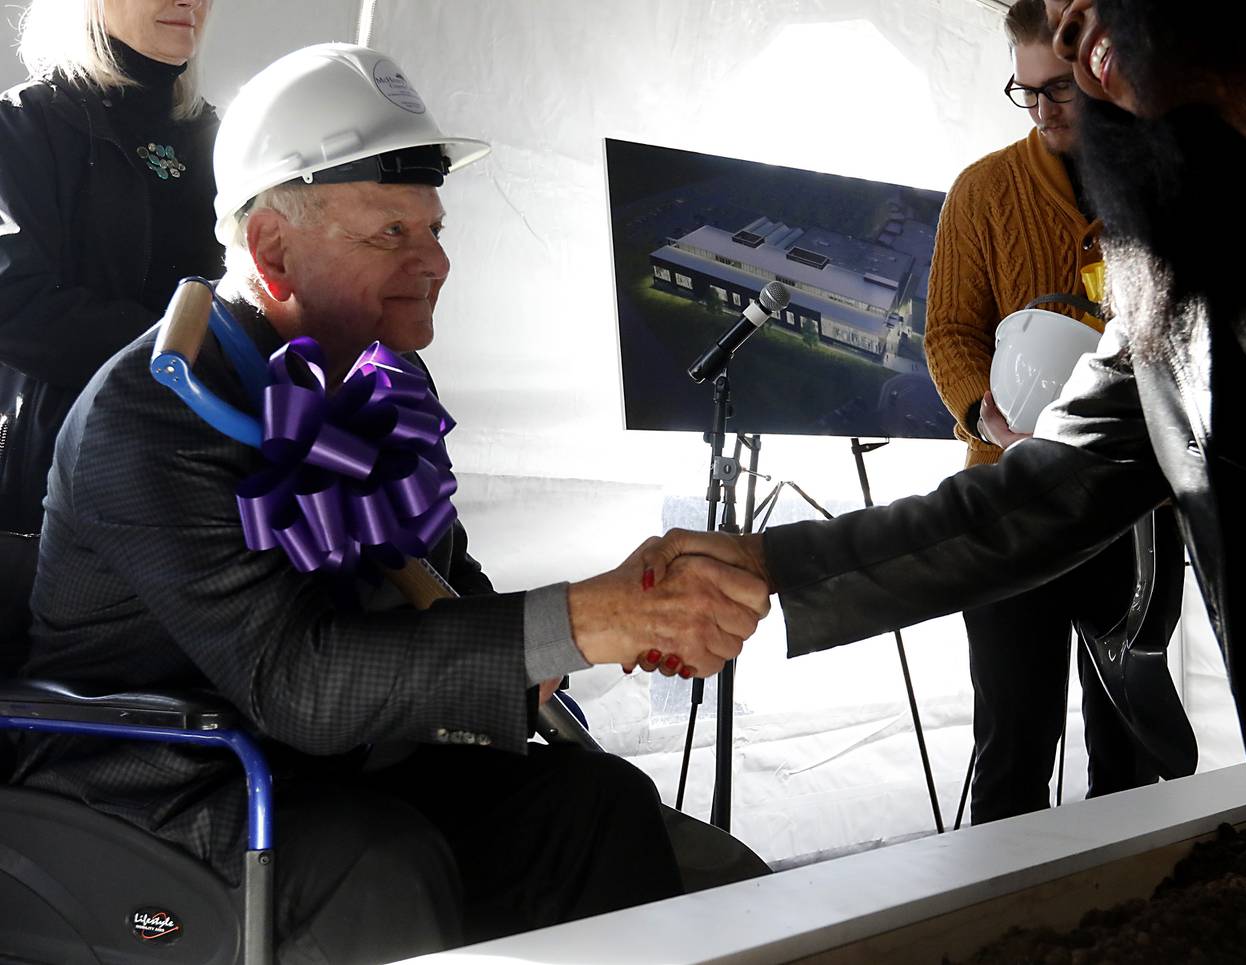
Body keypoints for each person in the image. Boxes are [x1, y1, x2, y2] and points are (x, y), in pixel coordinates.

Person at [647, 0, 1246, 937]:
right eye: (1049, 27)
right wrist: (773, 564)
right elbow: (1043, 487)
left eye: (1075, 4)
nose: (1067, 38)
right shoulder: (1166, 250)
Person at [14, 43, 769, 963]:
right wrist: (589, 615)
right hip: (161, 780)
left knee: (591, 804)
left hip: (329, 761)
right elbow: (296, 680)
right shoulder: (154, 412)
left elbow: (445, 573)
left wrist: (582, 636)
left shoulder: (374, 381)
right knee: (380, 864)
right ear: (273, 249)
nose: (437, 262)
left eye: (434, 229)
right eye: (392, 235)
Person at [924, 0, 1158, 824]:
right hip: (1005, 508)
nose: (1046, 110)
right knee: (1014, 745)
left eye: (1059, 89)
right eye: (1026, 93)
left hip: (1124, 513)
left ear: (1098, 66)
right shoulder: (981, 192)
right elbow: (947, 331)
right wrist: (984, 416)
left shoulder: (1152, 184)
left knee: (1129, 744)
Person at [0, 0, 221, 647]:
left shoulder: (230, 139)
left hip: (213, 474)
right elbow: (15, 301)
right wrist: (201, 353)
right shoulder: (21, 129)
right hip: (62, 489)